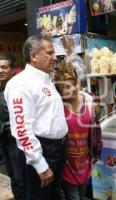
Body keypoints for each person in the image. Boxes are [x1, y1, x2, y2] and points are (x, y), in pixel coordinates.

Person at [4, 35, 68, 200]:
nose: (55, 57)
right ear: (33, 56)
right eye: (50, 53)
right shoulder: (21, 84)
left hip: (58, 150)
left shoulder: (46, 80)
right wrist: (40, 165)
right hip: (41, 153)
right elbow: (21, 129)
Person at [54, 60, 102, 200]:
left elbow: (96, 128)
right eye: (66, 87)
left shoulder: (88, 101)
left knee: (81, 194)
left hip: (85, 161)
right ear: (59, 89)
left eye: (74, 84)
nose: (73, 89)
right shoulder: (57, 105)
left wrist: (97, 150)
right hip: (66, 163)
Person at [0, 55, 25, 200]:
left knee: (19, 176)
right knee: (11, 175)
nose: (0, 70)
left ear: (13, 69)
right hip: (4, 140)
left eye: (4, 67)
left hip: (16, 140)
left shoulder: (16, 88)